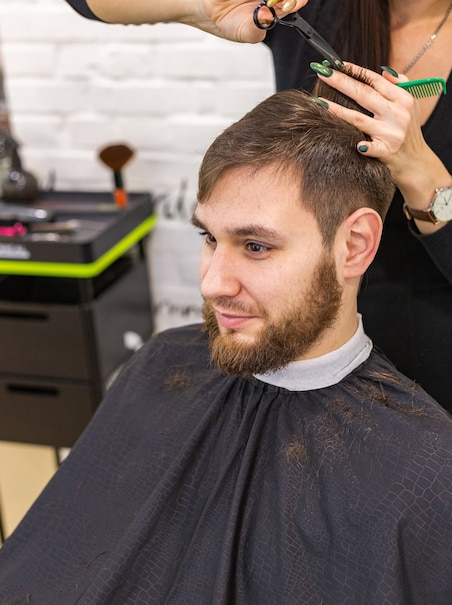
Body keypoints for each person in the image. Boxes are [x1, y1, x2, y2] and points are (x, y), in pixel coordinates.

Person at [1, 88, 452, 605]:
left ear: (353, 246)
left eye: (256, 246)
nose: (214, 283)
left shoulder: (420, 464)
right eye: (209, 238)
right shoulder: (164, 364)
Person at [62, 0, 452, 415]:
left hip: (427, 324)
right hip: (297, 320)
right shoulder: (317, 8)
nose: (212, 286)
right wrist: (198, 9)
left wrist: (422, 173)